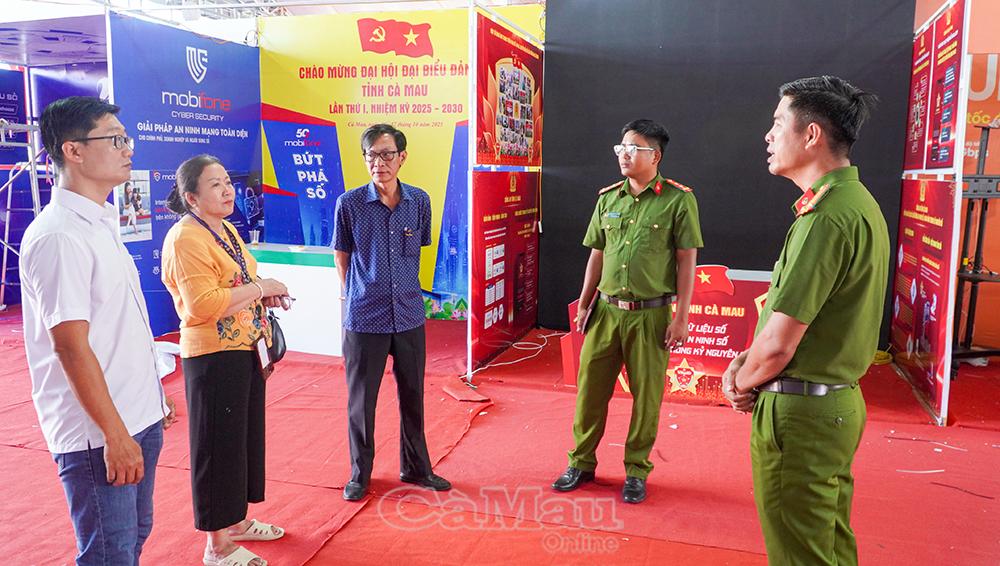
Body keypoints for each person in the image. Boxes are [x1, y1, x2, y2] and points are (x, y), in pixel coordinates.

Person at [722, 76, 888, 565]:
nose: (768, 135)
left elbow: (779, 345)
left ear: (811, 134)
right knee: (828, 545)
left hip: (801, 415)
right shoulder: (856, 204)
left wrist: (739, 383)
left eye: (778, 123)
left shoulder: (825, 218)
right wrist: (748, 361)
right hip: (832, 404)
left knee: (800, 554)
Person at [22, 95, 176, 565]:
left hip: (136, 414)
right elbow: (70, 347)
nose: (128, 150)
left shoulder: (101, 222)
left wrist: (152, 396)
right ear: (73, 151)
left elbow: (119, 327)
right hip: (98, 433)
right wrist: (114, 433)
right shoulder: (59, 235)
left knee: (133, 538)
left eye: (126, 139)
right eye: (115, 140)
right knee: (110, 553)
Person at [552, 119, 703, 504]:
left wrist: (682, 316)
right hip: (606, 312)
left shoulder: (678, 200)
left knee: (647, 397)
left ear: (655, 156)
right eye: (621, 147)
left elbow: (687, 260)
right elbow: (597, 254)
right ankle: (581, 462)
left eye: (633, 148)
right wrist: (584, 302)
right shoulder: (608, 199)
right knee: (590, 392)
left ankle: (636, 470)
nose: (624, 154)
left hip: (651, 316)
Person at [161, 154, 291, 566]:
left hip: (245, 347)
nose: (227, 190)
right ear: (191, 197)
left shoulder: (226, 228)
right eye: (214, 184)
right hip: (213, 354)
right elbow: (202, 304)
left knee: (241, 441)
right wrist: (261, 288)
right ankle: (216, 546)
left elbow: (239, 282)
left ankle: (236, 522)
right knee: (217, 447)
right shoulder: (185, 238)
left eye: (227, 182)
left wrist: (263, 292)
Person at [333, 124, 451, 501]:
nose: (378, 163)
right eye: (371, 155)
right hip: (364, 316)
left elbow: (419, 249)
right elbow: (341, 255)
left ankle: (416, 468)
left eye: (386, 154)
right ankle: (359, 474)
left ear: (402, 157)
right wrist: (351, 294)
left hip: (409, 314)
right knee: (361, 401)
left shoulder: (419, 201)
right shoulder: (349, 203)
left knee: (413, 395)